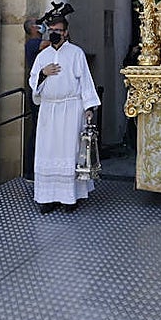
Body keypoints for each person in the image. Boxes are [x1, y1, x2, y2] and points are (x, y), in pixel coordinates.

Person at [28, 17, 100, 213]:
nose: (54, 33)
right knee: (47, 150)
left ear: (66, 32)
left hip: (71, 109)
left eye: (58, 30)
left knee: (70, 151)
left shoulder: (76, 53)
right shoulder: (43, 55)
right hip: (49, 110)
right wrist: (43, 73)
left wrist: (89, 107)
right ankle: (47, 198)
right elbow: (33, 80)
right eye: (51, 29)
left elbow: (85, 80)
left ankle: (70, 197)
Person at [22, 18, 46, 180]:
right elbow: (50, 44)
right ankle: (30, 170)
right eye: (37, 23)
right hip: (37, 90)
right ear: (32, 28)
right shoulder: (32, 43)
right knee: (37, 130)